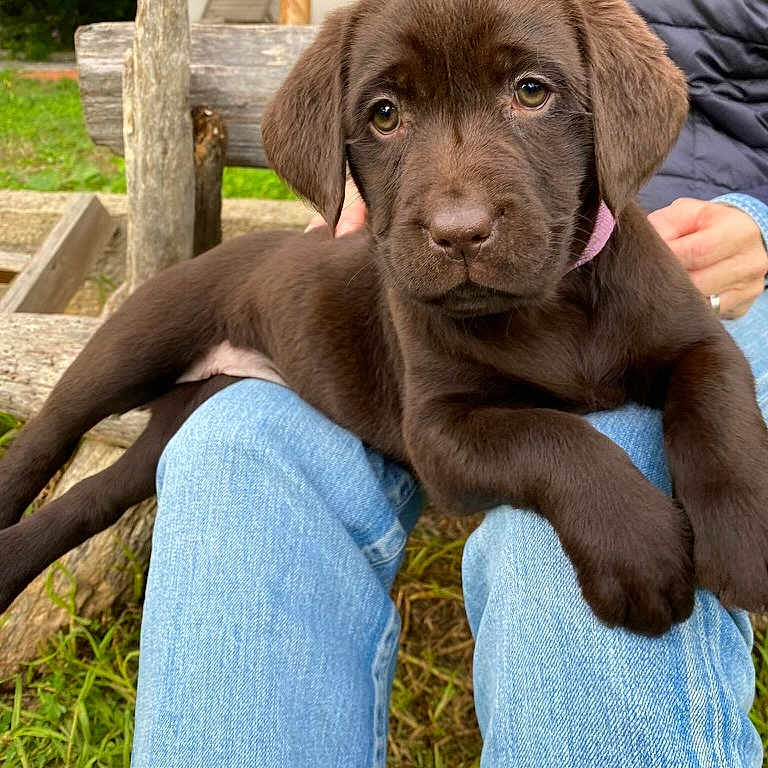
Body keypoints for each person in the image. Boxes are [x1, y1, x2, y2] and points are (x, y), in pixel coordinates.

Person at [130, 1, 768, 765]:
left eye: (529, 91)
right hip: (415, 282)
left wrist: (761, 227)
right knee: (230, 450)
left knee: (600, 495)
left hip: (705, 263)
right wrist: (375, 179)